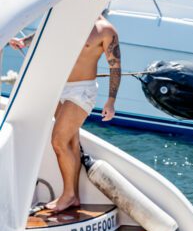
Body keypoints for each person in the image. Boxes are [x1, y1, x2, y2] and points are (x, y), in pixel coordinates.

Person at [10, 16, 122, 213]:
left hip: (82, 91)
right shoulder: (72, 15)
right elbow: (47, 32)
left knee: (58, 141)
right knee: (70, 142)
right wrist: (24, 41)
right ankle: (74, 196)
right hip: (59, 87)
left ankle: (68, 195)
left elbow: (115, 67)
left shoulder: (105, 30)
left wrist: (111, 101)